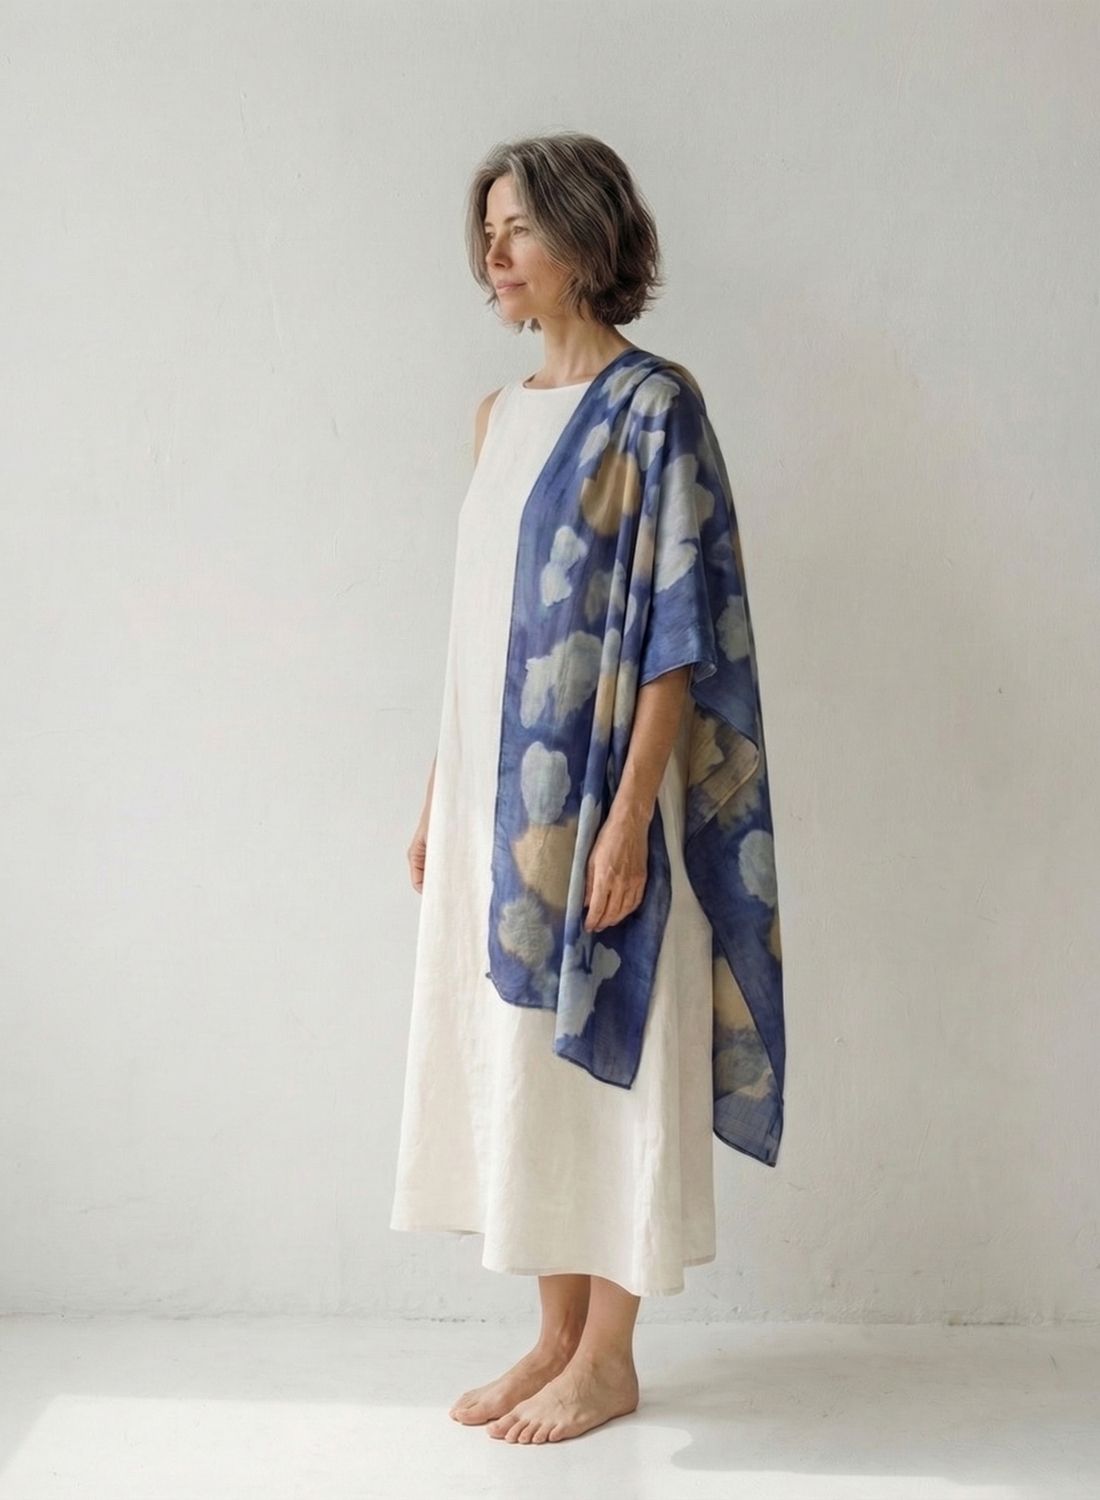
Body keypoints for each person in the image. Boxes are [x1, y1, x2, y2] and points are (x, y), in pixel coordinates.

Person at [390, 133, 760, 1445]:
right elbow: (478, 634)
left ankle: (608, 1357)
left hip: (603, 797)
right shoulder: (496, 420)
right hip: (500, 809)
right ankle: (551, 1336)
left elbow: (677, 635)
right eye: (487, 231)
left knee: (615, 1063)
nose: (494, 254)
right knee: (522, 1065)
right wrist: (439, 796)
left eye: (521, 229)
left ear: (588, 240)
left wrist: (628, 819)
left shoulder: (657, 408)